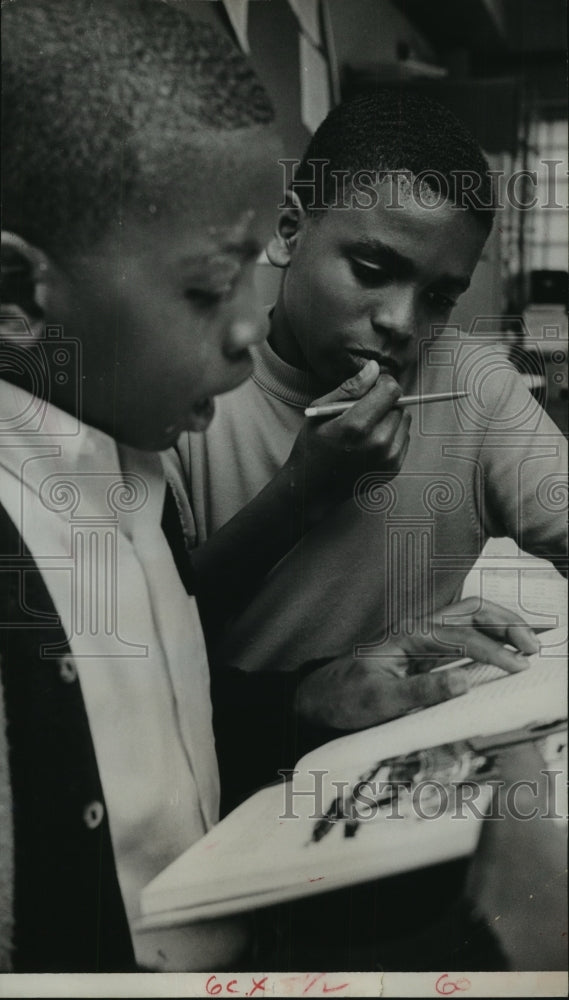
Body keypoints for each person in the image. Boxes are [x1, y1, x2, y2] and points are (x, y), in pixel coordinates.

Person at [0, 1, 545, 974]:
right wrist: (301, 493)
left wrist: (316, 695)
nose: (245, 327)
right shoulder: (124, 454)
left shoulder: (132, 468)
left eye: (437, 296)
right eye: (208, 290)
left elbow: (175, 728)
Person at [180, 91, 568, 707]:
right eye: (371, 269)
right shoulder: (187, 395)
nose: (402, 322)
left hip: (416, 747)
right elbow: (153, 631)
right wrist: (304, 492)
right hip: (245, 749)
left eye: (439, 298)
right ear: (289, 232)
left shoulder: (473, 384)